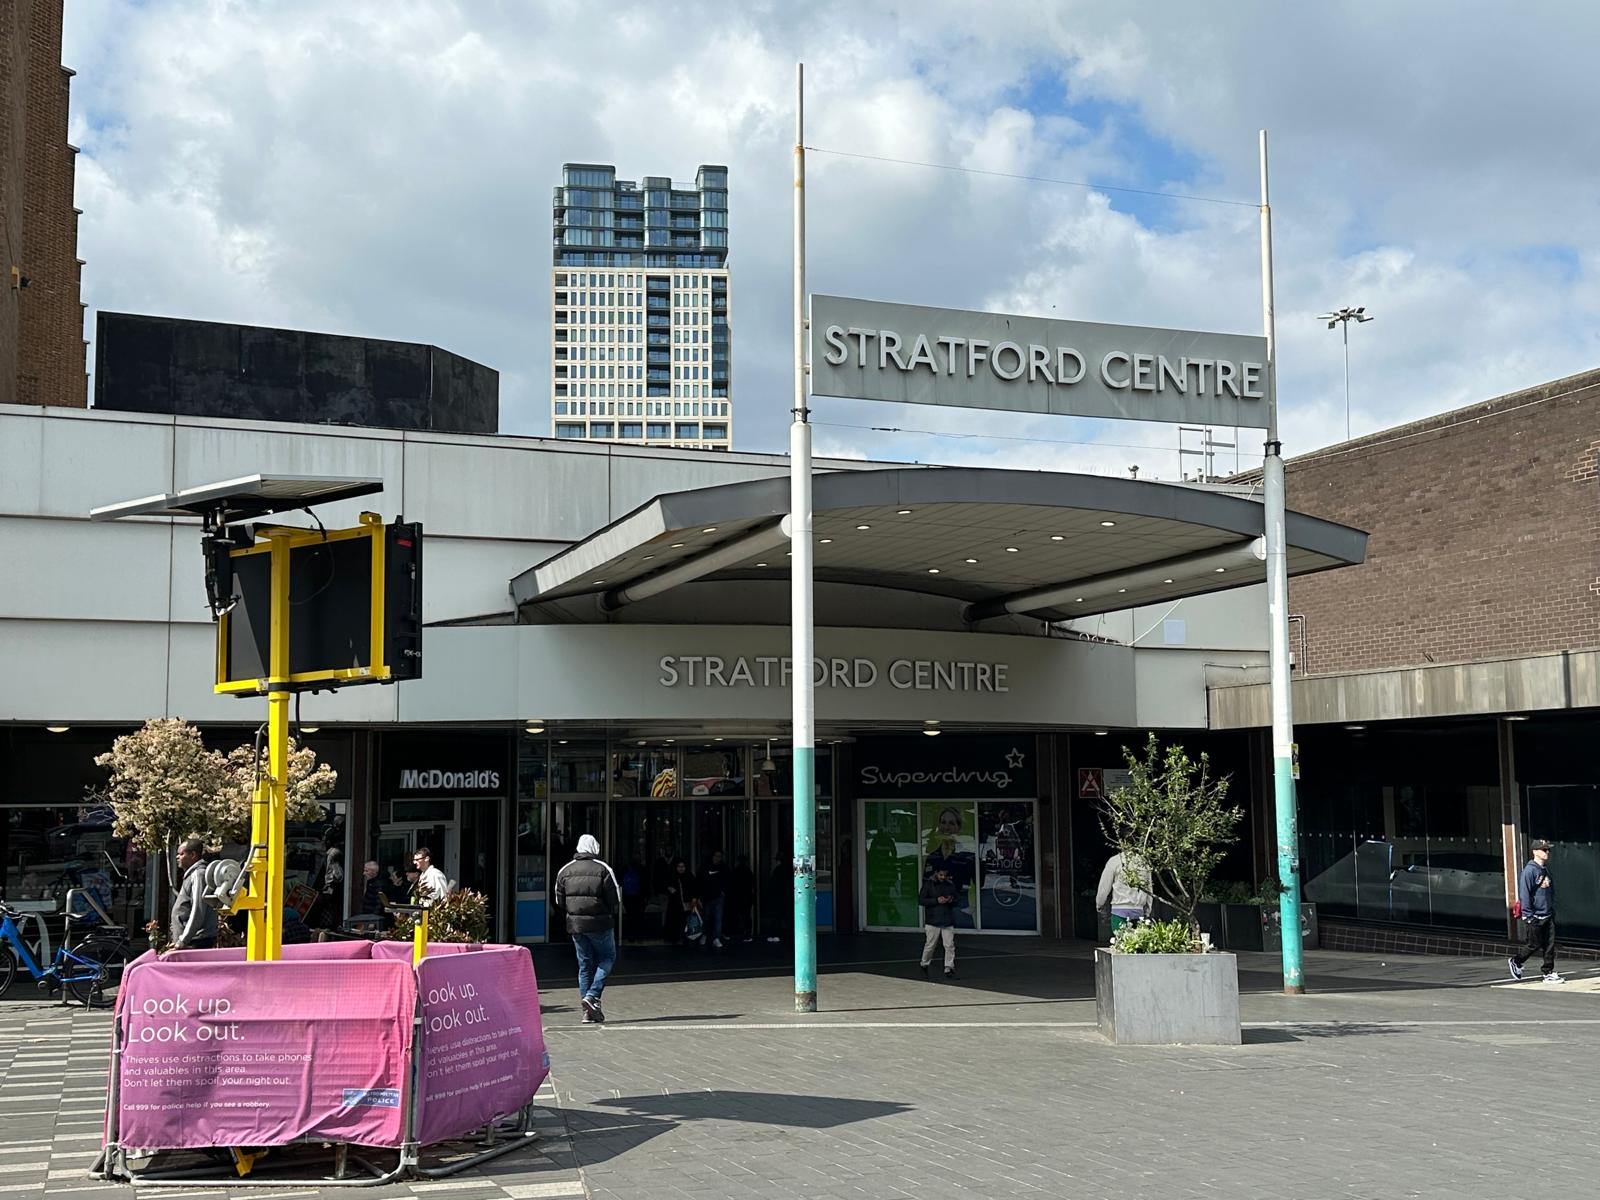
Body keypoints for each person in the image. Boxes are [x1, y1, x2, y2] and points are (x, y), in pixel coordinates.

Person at [554, 834, 620, 1023]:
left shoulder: (564, 870)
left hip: (576, 925)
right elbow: (614, 898)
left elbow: (559, 900)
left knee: (585, 965)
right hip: (600, 924)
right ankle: (592, 996)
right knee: (608, 957)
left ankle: (588, 1012)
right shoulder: (603, 869)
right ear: (595, 848)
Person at [1509, 840, 1563, 984]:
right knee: (1534, 944)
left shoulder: (1545, 869)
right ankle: (1516, 961)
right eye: (1544, 850)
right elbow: (1525, 894)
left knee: (1549, 945)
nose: (1547, 853)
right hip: (1535, 915)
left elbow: (1550, 891)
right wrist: (1528, 915)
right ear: (1535, 851)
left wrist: (1552, 908)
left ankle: (1548, 972)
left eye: (1548, 850)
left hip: (1548, 913)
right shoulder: (1529, 871)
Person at [170, 837, 219, 950]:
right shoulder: (192, 875)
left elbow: (198, 909)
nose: (177, 857)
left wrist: (183, 940)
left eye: (181, 854)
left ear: (193, 855)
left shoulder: (198, 875)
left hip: (196, 942)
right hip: (191, 941)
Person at [1095, 849, 1152, 936]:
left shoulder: (1115, 861)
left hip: (1119, 909)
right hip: (1138, 910)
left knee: (1121, 943)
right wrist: (1148, 910)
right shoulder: (1144, 863)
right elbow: (1149, 888)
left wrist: (1099, 903)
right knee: (1138, 944)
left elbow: (1104, 886)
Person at [918, 866, 959, 979]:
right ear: (936, 873)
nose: (943, 877)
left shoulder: (950, 885)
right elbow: (921, 900)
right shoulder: (928, 884)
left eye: (944, 875)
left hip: (947, 919)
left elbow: (957, 899)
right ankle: (924, 962)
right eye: (941, 875)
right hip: (933, 920)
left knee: (949, 945)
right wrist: (936, 900)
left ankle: (949, 967)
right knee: (930, 944)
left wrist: (951, 900)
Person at [663, 858, 700, 944]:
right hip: (675, 904)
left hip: (686, 904)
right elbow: (666, 886)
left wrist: (694, 898)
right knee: (675, 921)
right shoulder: (672, 876)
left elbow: (695, 888)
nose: (681, 868)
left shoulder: (689, 876)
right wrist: (670, 889)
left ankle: (684, 938)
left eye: (683, 866)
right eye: (679, 866)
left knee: (685, 921)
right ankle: (675, 938)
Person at [700, 849, 728, 949]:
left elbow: (727, 880)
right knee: (706, 918)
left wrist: (723, 891)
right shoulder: (705, 867)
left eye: (720, 856)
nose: (717, 858)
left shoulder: (723, 867)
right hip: (707, 896)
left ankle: (716, 938)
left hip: (718, 897)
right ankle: (705, 934)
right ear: (712, 856)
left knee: (718, 918)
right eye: (716, 856)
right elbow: (701, 880)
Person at [728, 853, 756, 943]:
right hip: (746, 897)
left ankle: (736, 931)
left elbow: (731, 885)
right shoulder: (748, 871)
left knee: (736, 914)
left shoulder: (735, 871)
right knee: (746, 916)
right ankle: (747, 933)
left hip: (737, 897)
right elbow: (752, 884)